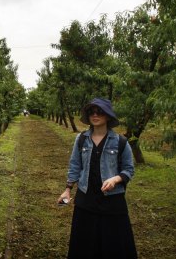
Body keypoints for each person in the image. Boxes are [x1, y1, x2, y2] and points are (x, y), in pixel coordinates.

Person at [57, 98, 137, 259]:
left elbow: (129, 169)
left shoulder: (120, 142)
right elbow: (75, 166)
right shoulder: (81, 139)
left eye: (99, 111)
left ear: (107, 116)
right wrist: (67, 190)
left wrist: (115, 179)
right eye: (91, 112)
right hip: (86, 198)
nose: (95, 115)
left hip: (112, 200)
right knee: (85, 242)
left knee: (113, 242)